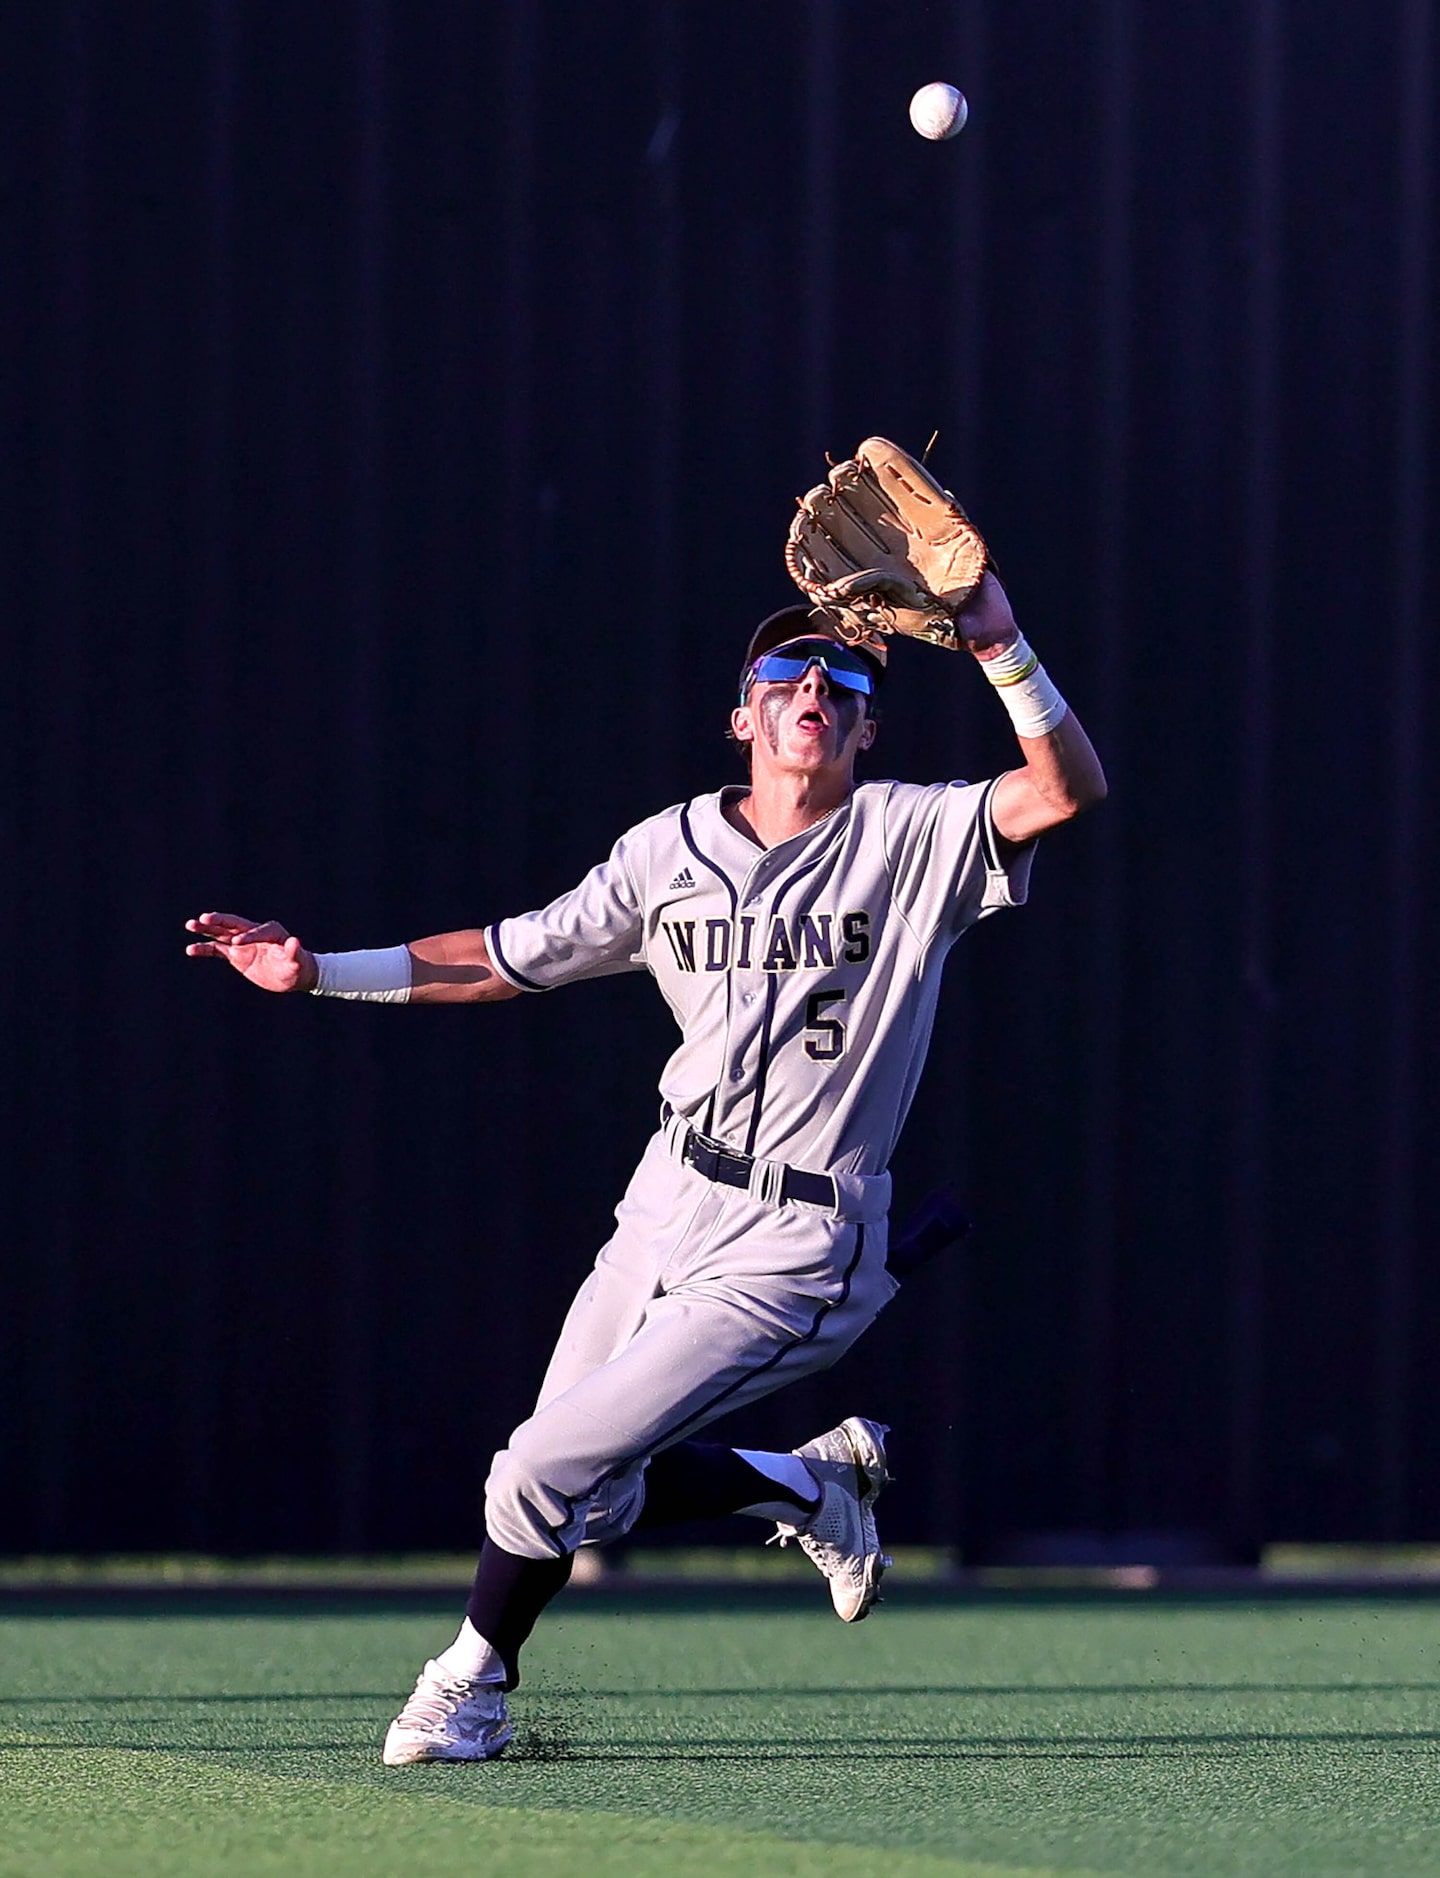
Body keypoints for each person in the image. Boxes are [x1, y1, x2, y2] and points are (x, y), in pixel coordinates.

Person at [185, 571, 1105, 1764]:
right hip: (667, 1199)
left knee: (535, 1471)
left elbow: (1063, 790)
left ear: (869, 725)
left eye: (845, 676)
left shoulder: (908, 834)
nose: (814, 684)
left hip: (796, 1244)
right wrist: (317, 972)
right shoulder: (665, 849)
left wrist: (1000, 642)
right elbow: (509, 960)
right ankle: (813, 1487)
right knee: (594, 1495)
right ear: (744, 717)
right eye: (786, 673)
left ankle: (472, 1684)